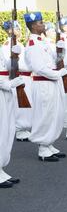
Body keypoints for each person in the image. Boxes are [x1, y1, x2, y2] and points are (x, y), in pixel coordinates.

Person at [24, 12, 67, 162]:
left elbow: (55, 60)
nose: (43, 24)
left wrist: (61, 50)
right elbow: (39, 67)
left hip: (51, 82)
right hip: (43, 82)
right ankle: (43, 147)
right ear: (33, 26)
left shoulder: (42, 42)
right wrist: (58, 74)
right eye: (40, 22)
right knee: (45, 114)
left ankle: (49, 143)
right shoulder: (32, 44)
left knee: (54, 113)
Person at [2, 21, 32, 142]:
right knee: (19, 105)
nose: (18, 31)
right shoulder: (6, 45)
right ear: (9, 31)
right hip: (18, 76)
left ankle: (24, 127)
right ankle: (19, 129)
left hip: (26, 77)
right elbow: (8, 66)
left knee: (26, 105)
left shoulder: (20, 44)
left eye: (19, 29)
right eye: (16, 29)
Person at [0, 43, 24, 188]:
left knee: (7, 130)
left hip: (5, 92)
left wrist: (13, 58)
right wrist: (7, 84)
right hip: (3, 88)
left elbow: (4, 68)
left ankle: (0, 168)